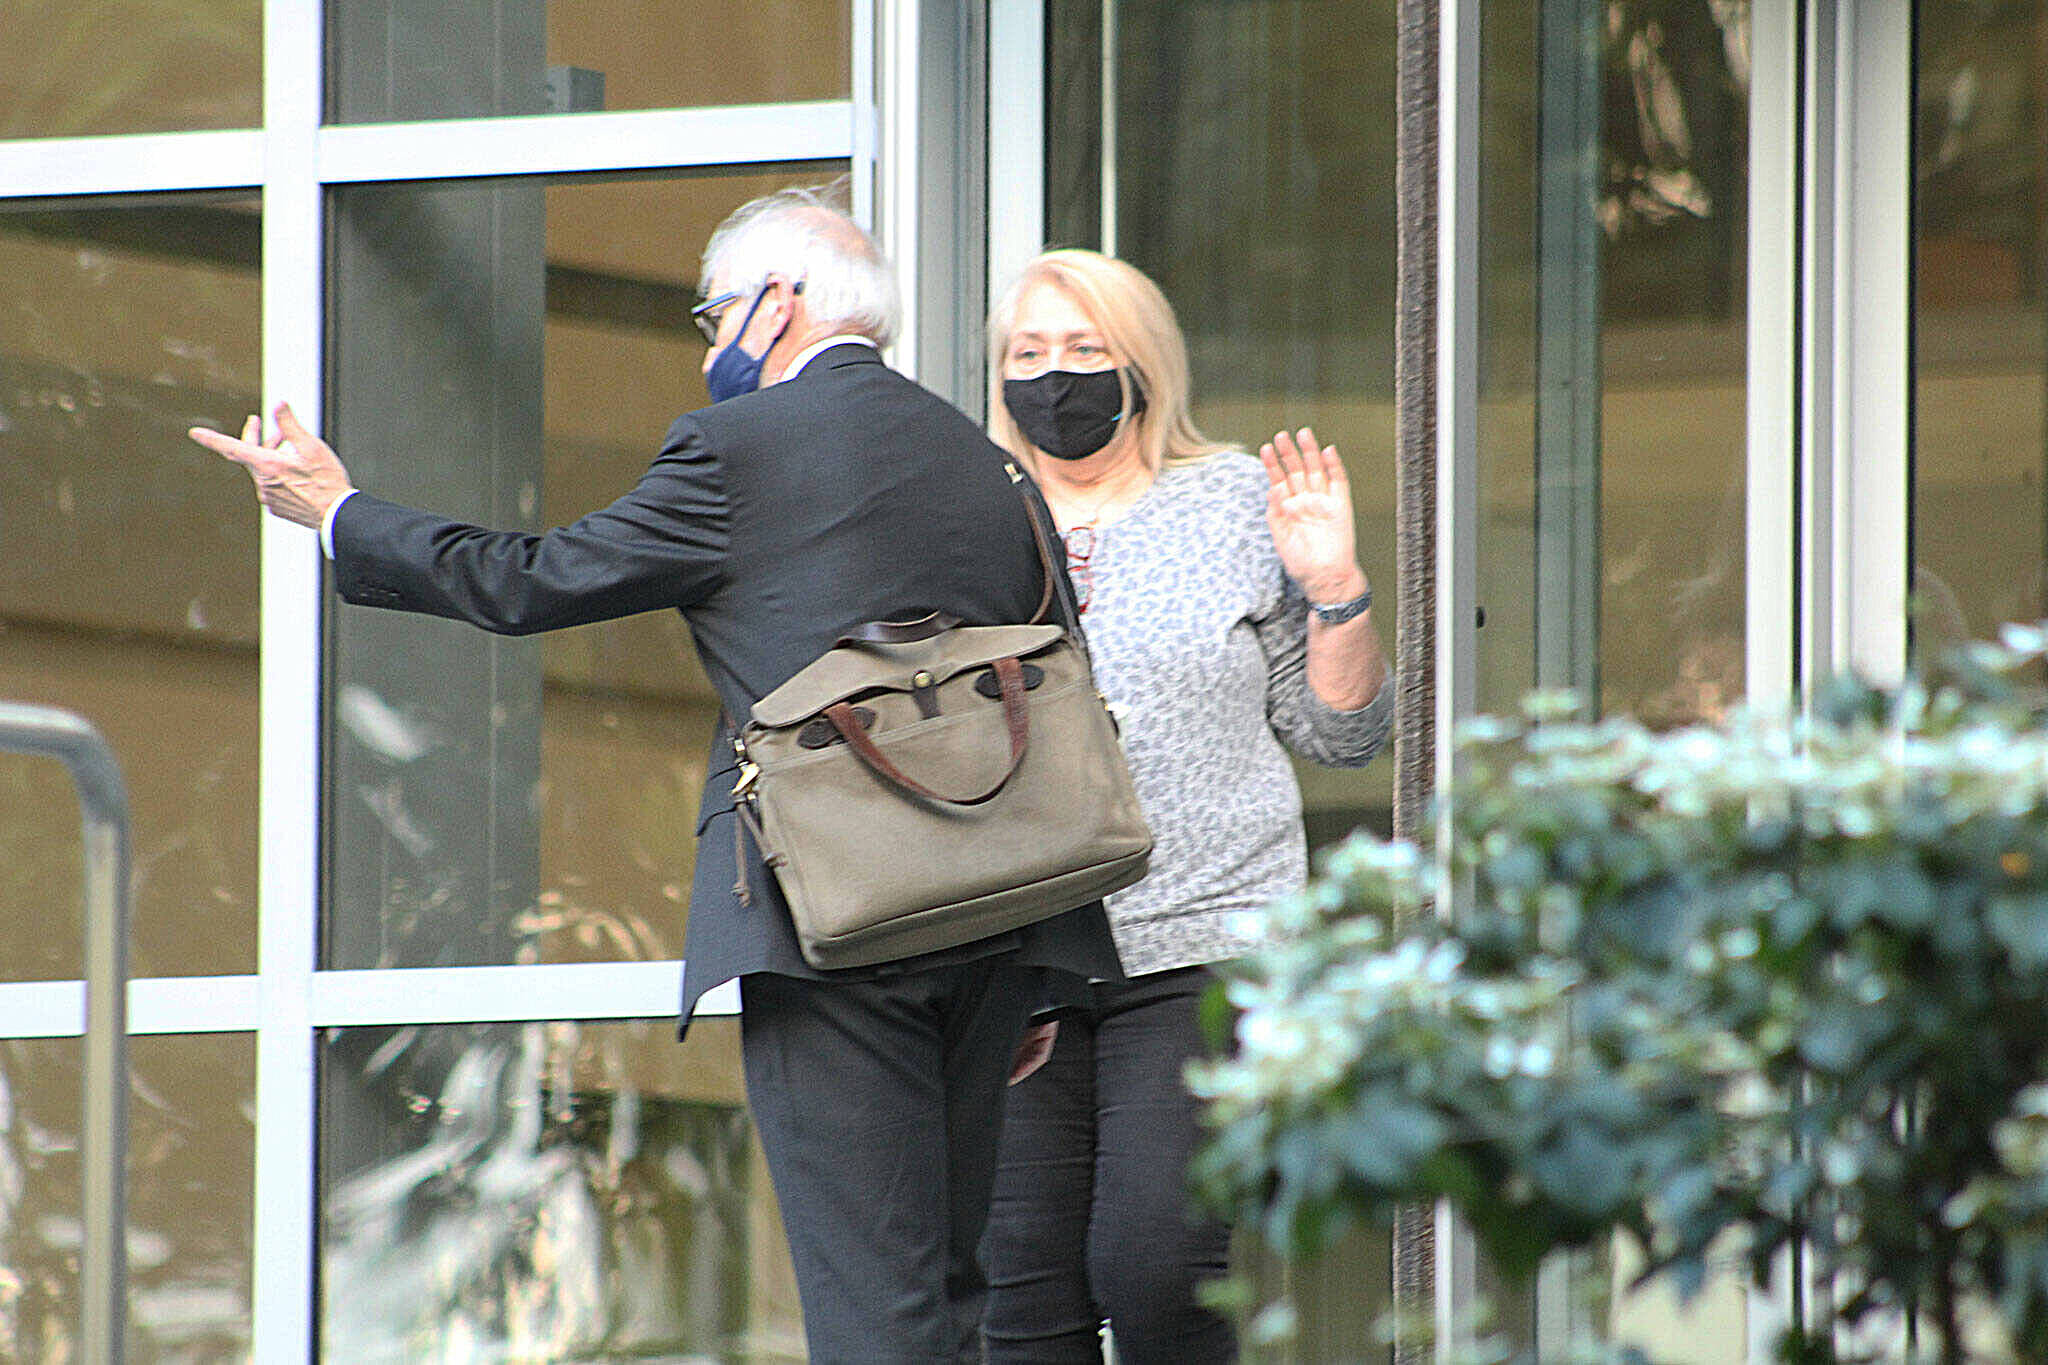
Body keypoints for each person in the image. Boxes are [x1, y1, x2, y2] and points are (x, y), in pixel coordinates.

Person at [188, 189, 1124, 1364]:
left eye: (712, 312)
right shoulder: (990, 467)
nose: (705, 343)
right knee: (948, 1288)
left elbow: (526, 581)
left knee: (870, 1304)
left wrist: (339, 513)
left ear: (776, 308)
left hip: (836, 921)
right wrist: (1044, 977)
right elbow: (1048, 683)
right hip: (999, 924)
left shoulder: (736, 450)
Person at [979, 249, 1394, 1363]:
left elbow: (1342, 736)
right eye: (1027, 354)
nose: (1051, 378)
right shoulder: (960, 515)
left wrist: (1333, 591)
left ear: (1142, 366)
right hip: (1013, 959)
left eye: (1082, 351)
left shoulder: (1227, 504)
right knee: (1021, 1303)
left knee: (1156, 1270)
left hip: (1205, 945)